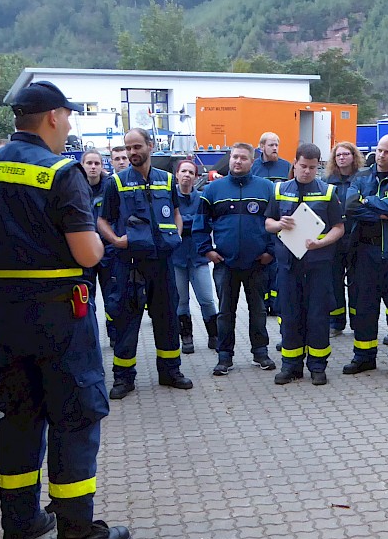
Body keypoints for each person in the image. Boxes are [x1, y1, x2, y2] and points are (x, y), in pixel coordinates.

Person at [0, 80, 129, 539]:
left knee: (19, 416)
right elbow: (87, 251)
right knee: (74, 416)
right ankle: (76, 535)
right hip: (61, 314)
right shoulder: (60, 172)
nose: (69, 125)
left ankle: (20, 524)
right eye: (68, 117)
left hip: (7, 314)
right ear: (52, 117)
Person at [97, 128, 192, 399]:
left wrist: (176, 234)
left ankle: (170, 372)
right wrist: (116, 240)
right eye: (128, 148)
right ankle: (123, 379)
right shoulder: (116, 182)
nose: (132, 153)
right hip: (130, 265)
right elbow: (101, 220)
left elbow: (176, 213)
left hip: (161, 263)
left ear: (150, 146)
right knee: (127, 322)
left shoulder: (167, 180)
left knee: (167, 319)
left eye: (137, 146)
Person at [265, 143, 346, 385]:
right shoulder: (279, 190)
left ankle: (318, 367)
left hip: (318, 265)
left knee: (317, 317)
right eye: (303, 166)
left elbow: (339, 228)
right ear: (295, 163)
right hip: (288, 266)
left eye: (312, 167)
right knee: (290, 316)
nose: (307, 172)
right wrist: (279, 224)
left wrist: (321, 244)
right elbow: (267, 222)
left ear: (318, 166)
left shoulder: (328, 191)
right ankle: (291, 366)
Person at [198, 142, 277, 376]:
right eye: (234, 157)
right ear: (229, 159)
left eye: (243, 158)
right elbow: (200, 225)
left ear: (252, 162)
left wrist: (270, 252)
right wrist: (207, 251)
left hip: (257, 263)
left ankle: (260, 352)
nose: (238, 161)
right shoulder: (213, 190)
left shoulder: (266, 189)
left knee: (259, 310)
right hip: (225, 263)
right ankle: (224, 357)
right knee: (225, 312)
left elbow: (276, 222)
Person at [344, 134, 388, 378]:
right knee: (364, 310)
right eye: (378, 150)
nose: (381, 155)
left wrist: (368, 202)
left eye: (386, 151)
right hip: (364, 253)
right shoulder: (362, 176)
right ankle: (364, 358)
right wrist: (380, 208)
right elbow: (350, 207)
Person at [170, 158, 219, 355]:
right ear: (177, 175)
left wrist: (185, 224)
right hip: (177, 258)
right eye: (184, 171)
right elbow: (172, 223)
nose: (187, 175)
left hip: (199, 257)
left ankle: (214, 335)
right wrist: (190, 224)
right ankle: (187, 337)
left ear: (196, 177)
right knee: (181, 301)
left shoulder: (201, 198)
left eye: (191, 172)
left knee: (207, 299)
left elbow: (206, 222)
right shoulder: (170, 198)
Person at [251, 131, 291, 316]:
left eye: (277, 145)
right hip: (259, 222)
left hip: (279, 221)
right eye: (271, 145)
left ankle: (276, 304)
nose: (275, 148)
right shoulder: (253, 167)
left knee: (277, 265)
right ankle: (262, 302)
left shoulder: (286, 166)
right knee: (261, 265)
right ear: (261, 147)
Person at [325, 141, 364, 336]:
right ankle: (336, 322)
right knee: (334, 281)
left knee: (358, 282)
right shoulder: (328, 181)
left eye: (346, 154)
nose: (342, 158)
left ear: (353, 157)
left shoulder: (363, 179)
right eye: (338, 155)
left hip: (357, 237)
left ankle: (358, 323)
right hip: (334, 238)